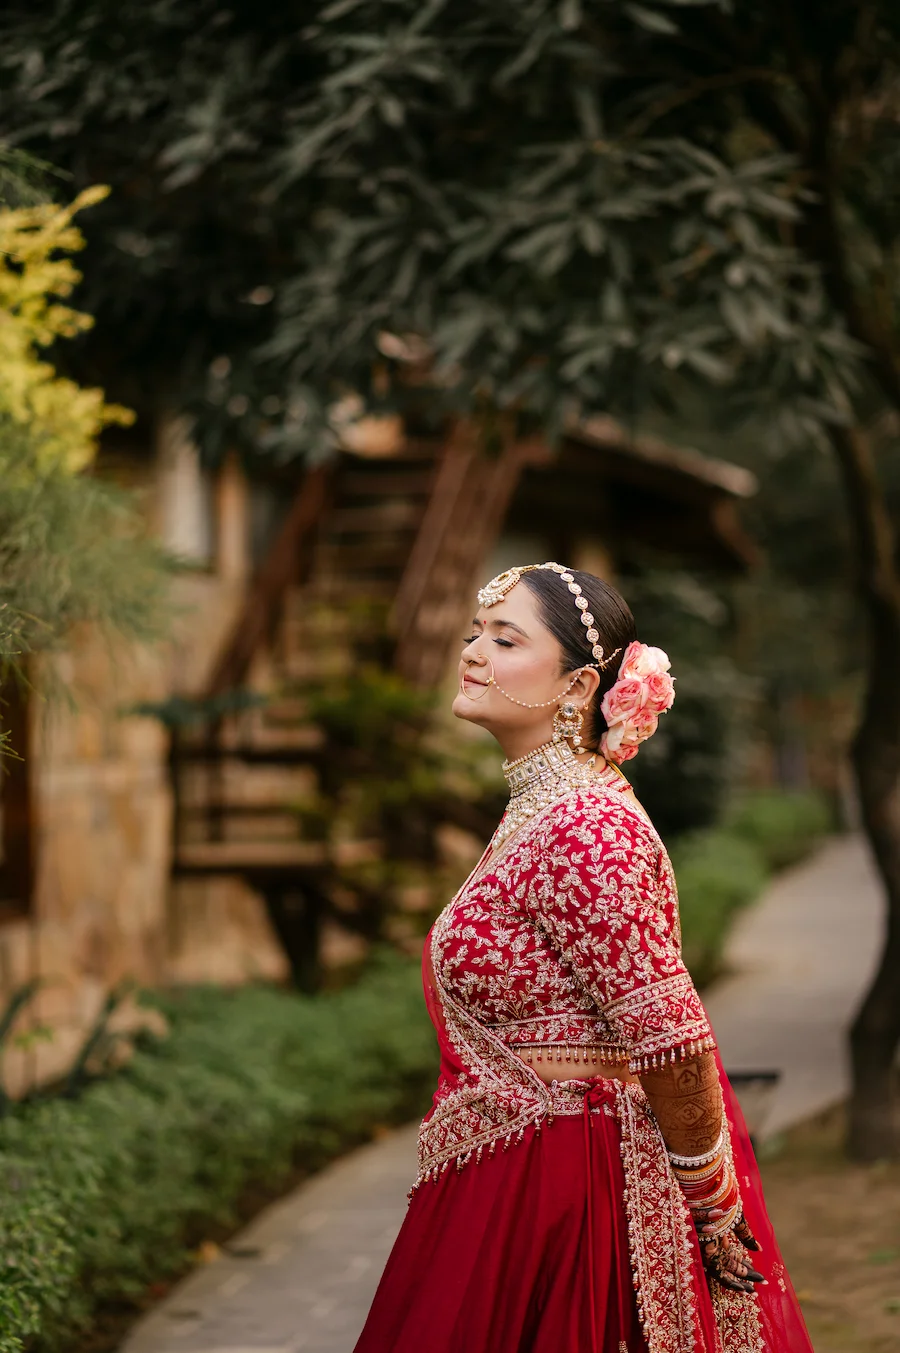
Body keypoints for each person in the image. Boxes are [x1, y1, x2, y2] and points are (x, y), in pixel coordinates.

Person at [353, 563, 815, 1353]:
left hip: (572, 1202)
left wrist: (713, 1205)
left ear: (577, 685)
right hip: (521, 1181)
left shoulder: (584, 827)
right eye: (475, 633)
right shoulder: (542, 811)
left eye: (504, 637)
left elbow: (672, 1040)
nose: (471, 651)